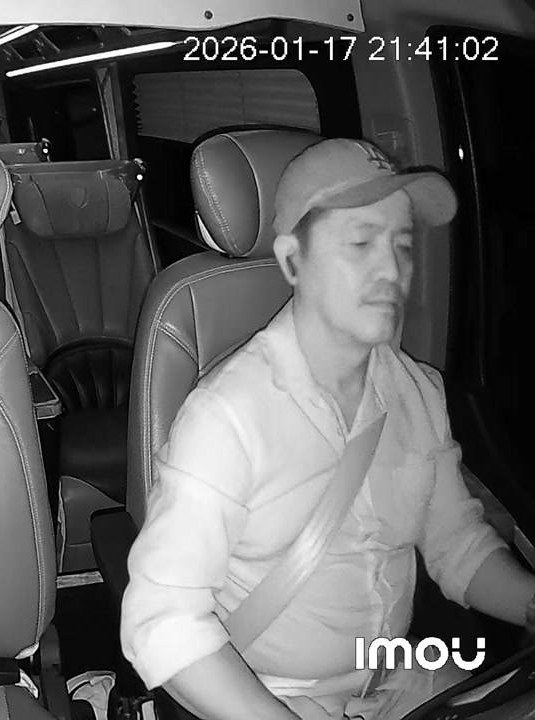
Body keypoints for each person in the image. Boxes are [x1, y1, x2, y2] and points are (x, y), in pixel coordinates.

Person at [118, 138, 535, 720]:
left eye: (402, 244)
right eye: (361, 242)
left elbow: (455, 544)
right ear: (293, 260)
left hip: (405, 678)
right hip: (277, 697)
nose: (392, 270)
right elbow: (160, 620)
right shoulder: (228, 416)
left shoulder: (418, 393)